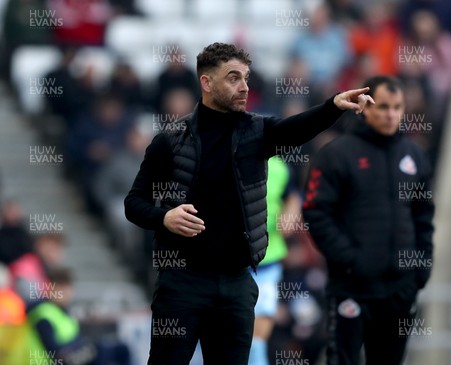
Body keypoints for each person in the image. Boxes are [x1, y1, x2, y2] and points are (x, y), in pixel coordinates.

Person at [124, 42, 374, 365]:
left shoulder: (257, 132)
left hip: (237, 284)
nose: (244, 86)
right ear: (207, 83)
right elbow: (133, 203)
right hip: (182, 282)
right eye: (233, 78)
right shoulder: (170, 141)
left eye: (246, 77)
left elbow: (296, 130)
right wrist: (165, 217)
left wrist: (333, 107)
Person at [303, 76, 435, 365]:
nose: (391, 115)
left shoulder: (414, 155)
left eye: (397, 107)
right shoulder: (336, 155)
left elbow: (424, 215)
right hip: (352, 288)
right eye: (384, 107)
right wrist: (349, 259)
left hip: (400, 288)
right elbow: (315, 212)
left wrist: (422, 267)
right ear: (365, 107)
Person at [248, 157, 300, 365]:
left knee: (257, 339)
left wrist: (291, 212)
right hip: (228, 263)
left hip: (267, 262)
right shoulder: (223, 157)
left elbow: (292, 195)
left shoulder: (279, 166)